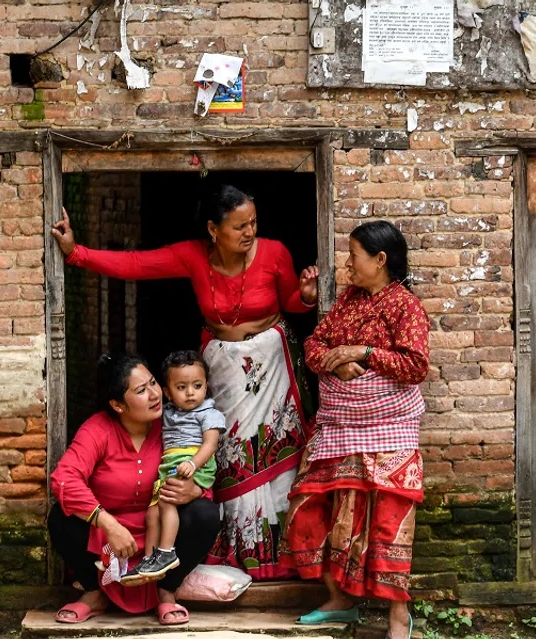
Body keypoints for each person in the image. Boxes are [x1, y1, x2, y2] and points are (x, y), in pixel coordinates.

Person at [51, 185, 317, 580]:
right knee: (224, 456)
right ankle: (232, 555)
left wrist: (307, 297)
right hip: (221, 374)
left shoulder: (275, 252)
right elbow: (138, 265)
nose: (250, 232)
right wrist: (77, 253)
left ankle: (284, 558)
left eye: (254, 223)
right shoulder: (193, 256)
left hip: (272, 372)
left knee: (278, 460)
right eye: (240, 226)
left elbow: (290, 301)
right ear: (213, 229)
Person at [278, 220, 430, 639]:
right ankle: (340, 599)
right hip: (338, 428)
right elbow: (314, 345)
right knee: (309, 510)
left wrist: (364, 352)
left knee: (388, 523)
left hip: (388, 432)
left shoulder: (405, 308)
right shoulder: (348, 300)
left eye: (353, 256)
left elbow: (415, 366)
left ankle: (399, 616)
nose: (347, 265)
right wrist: (337, 362)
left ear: (380, 260)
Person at [48, 354, 221, 625]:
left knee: (205, 514)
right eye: (141, 390)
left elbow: (204, 464)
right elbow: (64, 479)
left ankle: (166, 593)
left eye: (153, 383)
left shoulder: (172, 424)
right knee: (60, 518)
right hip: (107, 542)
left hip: (161, 533)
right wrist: (107, 524)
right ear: (117, 404)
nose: (154, 394)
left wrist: (194, 490)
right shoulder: (98, 429)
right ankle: (94, 594)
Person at [122, 350, 224, 585]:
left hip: (194, 463)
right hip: (171, 466)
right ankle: (148, 562)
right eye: (181, 388)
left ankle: (165, 552)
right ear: (167, 392)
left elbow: (210, 444)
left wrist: (192, 463)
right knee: (152, 512)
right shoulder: (167, 413)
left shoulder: (209, 413)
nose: (190, 393)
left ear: (206, 386)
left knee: (167, 501)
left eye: (197, 385)